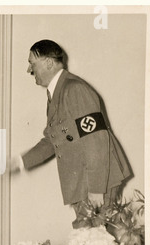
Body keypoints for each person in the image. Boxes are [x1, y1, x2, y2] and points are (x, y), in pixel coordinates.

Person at [18, 39, 131, 229]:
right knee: (90, 243)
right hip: (83, 182)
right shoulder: (58, 92)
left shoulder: (74, 89)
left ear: (48, 63)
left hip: (95, 182)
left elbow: (97, 141)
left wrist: (96, 190)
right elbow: (52, 140)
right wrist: (21, 162)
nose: (29, 70)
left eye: (32, 63)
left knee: (94, 243)